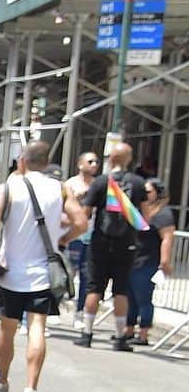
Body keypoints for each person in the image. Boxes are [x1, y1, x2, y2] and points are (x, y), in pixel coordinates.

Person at [0, 140, 86, 392]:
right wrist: (61, 241)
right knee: (37, 327)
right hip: (43, 273)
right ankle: (31, 389)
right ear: (47, 161)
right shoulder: (60, 188)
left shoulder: (8, 187)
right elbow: (81, 222)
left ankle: (3, 381)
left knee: (8, 329)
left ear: (22, 161)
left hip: (11, 273)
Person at [75, 141, 148, 353]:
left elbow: (86, 214)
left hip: (100, 242)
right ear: (129, 159)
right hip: (126, 244)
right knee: (121, 290)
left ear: (111, 159)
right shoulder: (138, 183)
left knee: (94, 287)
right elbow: (144, 216)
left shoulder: (100, 182)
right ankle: (119, 337)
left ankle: (87, 334)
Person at [126, 178, 175, 347]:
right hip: (134, 259)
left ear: (158, 193)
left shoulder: (163, 213)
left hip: (148, 261)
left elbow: (167, 238)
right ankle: (129, 330)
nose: (145, 195)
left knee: (143, 298)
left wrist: (165, 262)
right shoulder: (143, 210)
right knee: (130, 297)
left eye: (148, 192)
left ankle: (143, 334)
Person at [64, 150, 99, 331]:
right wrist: (79, 197)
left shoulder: (98, 184)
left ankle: (79, 313)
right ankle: (56, 304)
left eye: (96, 162)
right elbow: (65, 207)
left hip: (92, 236)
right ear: (80, 164)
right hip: (74, 235)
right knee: (67, 273)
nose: (94, 165)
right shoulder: (71, 184)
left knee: (87, 276)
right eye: (90, 161)